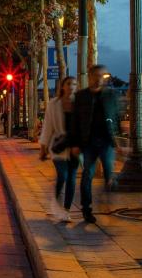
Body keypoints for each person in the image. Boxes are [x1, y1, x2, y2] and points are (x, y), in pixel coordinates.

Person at [67, 64, 120, 224]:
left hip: (106, 141)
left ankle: (107, 201)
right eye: (96, 75)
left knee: (109, 174)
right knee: (87, 175)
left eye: (101, 76)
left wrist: (119, 140)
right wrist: (74, 144)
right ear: (89, 76)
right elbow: (74, 122)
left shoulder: (110, 95)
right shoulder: (81, 96)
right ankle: (86, 209)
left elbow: (116, 118)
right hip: (88, 142)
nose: (98, 79)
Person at [39, 76, 79, 222]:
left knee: (72, 180)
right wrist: (43, 148)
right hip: (58, 146)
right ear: (62, 86)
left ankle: (66, 211)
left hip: (74, 147)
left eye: (74, 84)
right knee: (63, 176)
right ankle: (56, 204)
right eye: (69, 84)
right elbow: (48, 126)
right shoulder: (53, 104)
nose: (71, 86)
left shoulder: (79, 104)